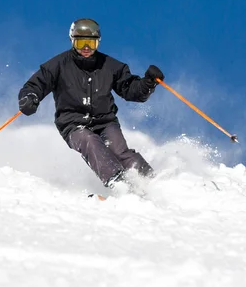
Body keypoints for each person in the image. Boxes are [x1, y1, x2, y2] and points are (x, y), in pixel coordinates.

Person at [18, 18, 164, 188]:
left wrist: (147, 83)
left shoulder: (110, 66)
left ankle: (153, 183)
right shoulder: (58, 65)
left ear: (98, 43)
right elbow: (36, 84)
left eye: (91, 43)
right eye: (81, 43)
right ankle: (119, 183)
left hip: (105, 121)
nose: (86, 48)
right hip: (73, 123)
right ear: (72, 41)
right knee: (90, 141)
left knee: (120, 152)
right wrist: (30, 97)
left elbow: (130, 89)